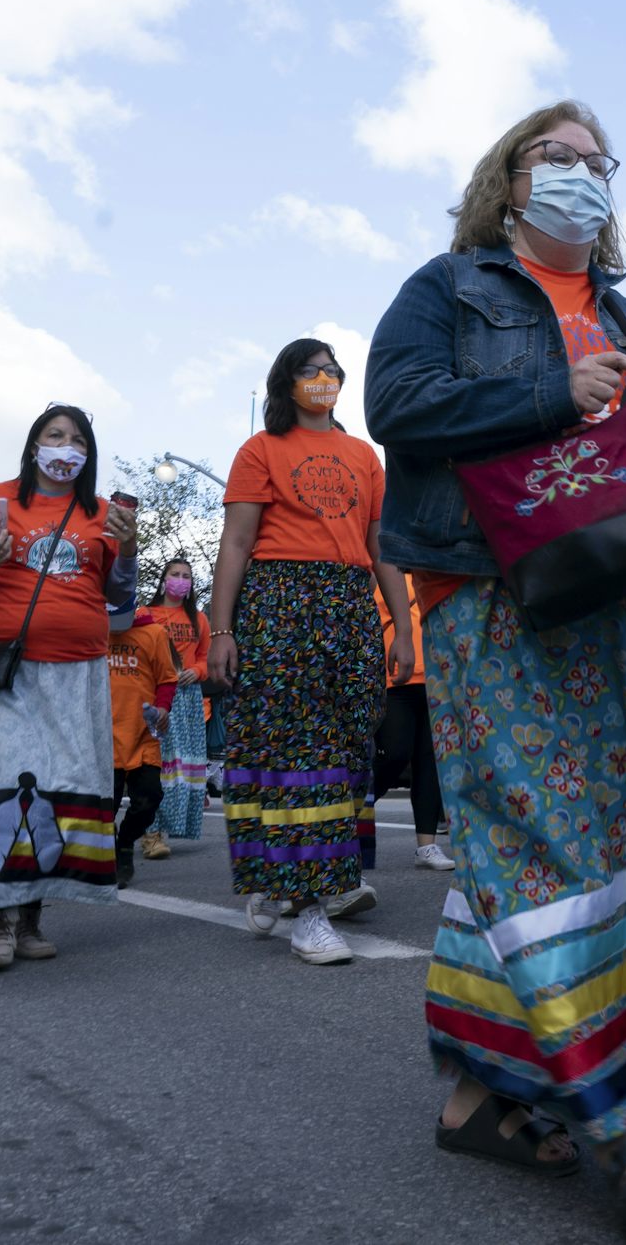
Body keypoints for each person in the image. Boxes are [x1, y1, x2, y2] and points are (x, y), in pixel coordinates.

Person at [366, 100, 626, 1228]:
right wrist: (548, 391)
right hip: (489, 588)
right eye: (556, 157)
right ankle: (616, 1121)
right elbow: (399, 402)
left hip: (623, 600)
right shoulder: (451, 285)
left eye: (597, 162)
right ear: (510, 178)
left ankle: (484, 1094)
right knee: (539, 833)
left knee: (621, 837)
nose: (581, 175)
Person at [206, 338, 413, 965]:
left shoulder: (363, 454)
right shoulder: (260, 449)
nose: (323, 378)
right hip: (278, 603)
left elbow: (383, 549)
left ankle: (300, 875)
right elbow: (236, 545)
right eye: (309, 370)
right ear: (286, 381)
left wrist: (401, 628)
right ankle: (309, 908)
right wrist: (221, 630)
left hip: (349, 608)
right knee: (294, 748)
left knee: (348, 744)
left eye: (331, 370)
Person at [0, 403, 138, 971]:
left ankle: (30, 921)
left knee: (57, 788)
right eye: (55, 435)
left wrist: (129, 549)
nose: (66, 447)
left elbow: (122, 594)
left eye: (78, 440)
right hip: (6, 669)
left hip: (80, 668)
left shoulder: (101, 512)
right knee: (4, 786)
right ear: (33, 446)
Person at [370, 574, 454, 870]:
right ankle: (354, 809)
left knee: (429, 762)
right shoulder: (381, 571)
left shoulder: (428, 571)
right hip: (395, 680)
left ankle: (427, 846)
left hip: (435, 678)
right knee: (395, 754)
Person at [139, 558, 212, 848]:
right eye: (175, 574)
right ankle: (151, 832)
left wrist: (197, 671)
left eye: (186, 576)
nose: (181, 580)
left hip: (190, 700)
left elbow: (206, 657)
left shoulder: (199, 618)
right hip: (157, 695)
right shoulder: (145, 613)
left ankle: (165, 830)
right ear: (163, 579)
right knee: (157, 765)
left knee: (183, 767)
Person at [107, 610, 179, 887]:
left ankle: (125, 842)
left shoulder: (154, 633)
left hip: (143, 734)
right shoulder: (92, 628)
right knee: (104, 808)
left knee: (149, 798)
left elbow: (167, 679)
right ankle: (109, 853)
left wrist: (163, 708)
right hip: (104, 736)